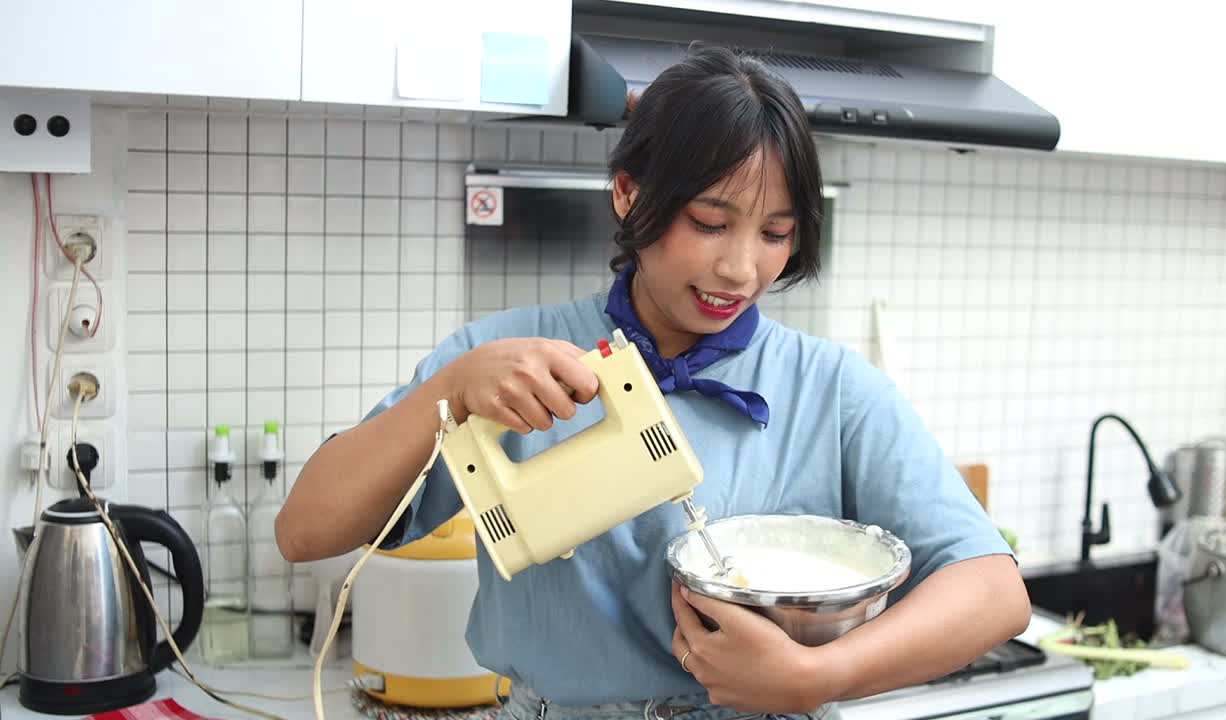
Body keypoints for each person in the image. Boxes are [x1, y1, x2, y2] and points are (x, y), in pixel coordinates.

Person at [276, 45, 1029, 719]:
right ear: (629, 194)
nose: (742, 269)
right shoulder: (499, 360)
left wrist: (813, 676)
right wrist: (449, 391)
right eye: (710, 222)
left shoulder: (834, 391)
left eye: (775, 233)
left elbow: (994, 593)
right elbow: (305, 531)